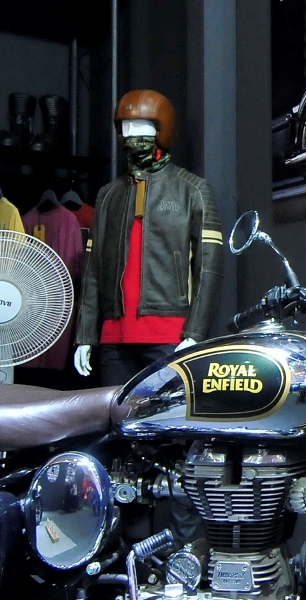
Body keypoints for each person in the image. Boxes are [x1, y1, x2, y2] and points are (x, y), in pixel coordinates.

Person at [72, 90, 223, 386]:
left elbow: (209, 269)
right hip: (114, 339)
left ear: (162, 131)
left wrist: (195, 333)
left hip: (171, 337)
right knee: (115, 414)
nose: (133, 137)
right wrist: (86, 335)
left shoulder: (193, 190)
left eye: (142, 128)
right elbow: (93, 271)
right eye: (126, 129)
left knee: (168, 414)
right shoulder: (108, 196)